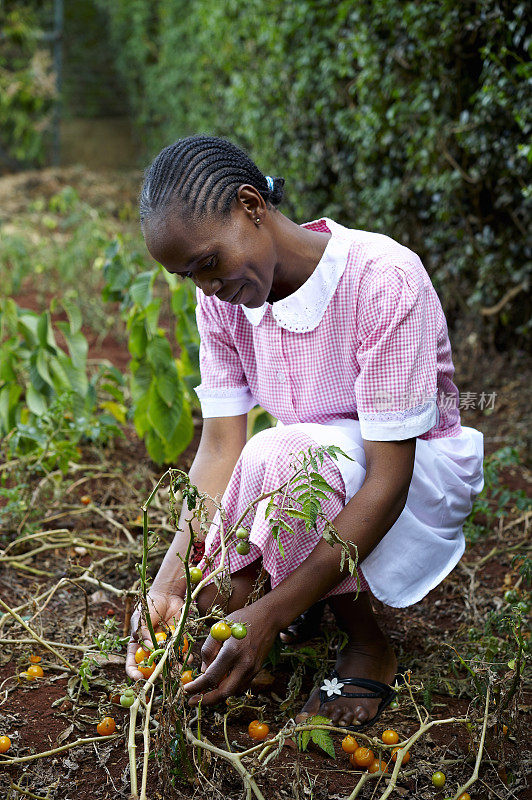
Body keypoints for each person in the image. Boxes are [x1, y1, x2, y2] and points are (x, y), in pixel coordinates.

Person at [125, 135, 484, 730]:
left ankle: (368, 642)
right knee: (222, 580)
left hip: (416, 476)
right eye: (188, 276)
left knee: (283, 454)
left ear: (250, 205)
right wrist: (170, 580)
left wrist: (268, 612)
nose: (207, 288)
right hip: (326, 467)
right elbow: (220, 447)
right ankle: (292, 603)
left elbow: (391, 479)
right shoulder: (222, 301)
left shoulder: (382, 279)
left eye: (208, 263)